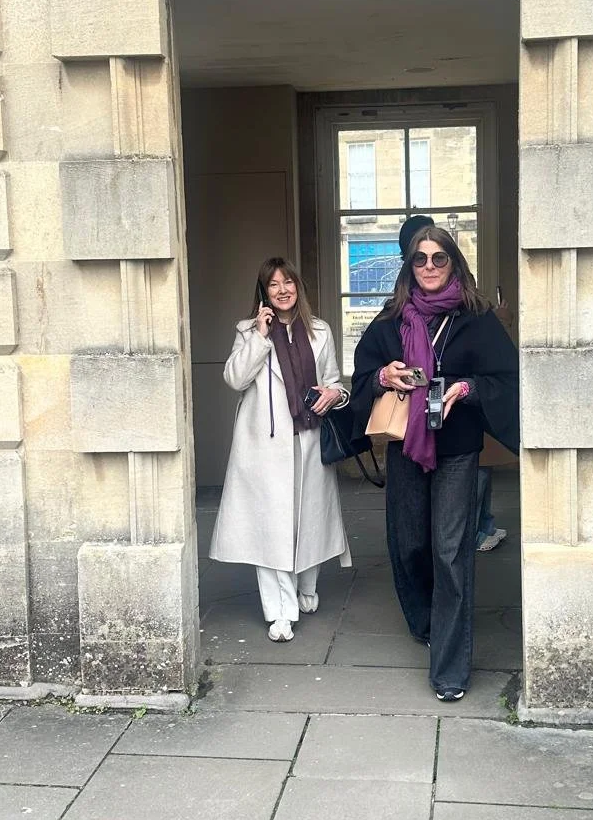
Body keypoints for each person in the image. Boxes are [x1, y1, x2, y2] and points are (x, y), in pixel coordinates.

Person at [351, 223, 519, 702]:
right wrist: (384, 374)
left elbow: (507, 379)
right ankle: (428, 621)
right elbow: (362, 376)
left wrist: (466, 389)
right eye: (420, 259)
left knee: (450, 552)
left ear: (454, 263)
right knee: (409, 545)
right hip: (407, 445)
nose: (428, 267)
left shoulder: (477, 318)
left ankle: (449, 668)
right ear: (410, 265)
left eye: (438, 258)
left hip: (457, 450)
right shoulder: (390, 320)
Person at [210, 258, 351, 643]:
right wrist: (259, 335)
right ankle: (280, 612)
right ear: (264, 293)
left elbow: (336, 383)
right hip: (263, 447)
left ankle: (307, 586)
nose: (282, 290)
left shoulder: (320, 331)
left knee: (309, 520)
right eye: (273, 285)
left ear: (297, 287)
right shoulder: (248, 331)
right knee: (269, 528)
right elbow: (235, 378)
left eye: (288, 282)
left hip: (307, 440)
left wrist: (334, 394)